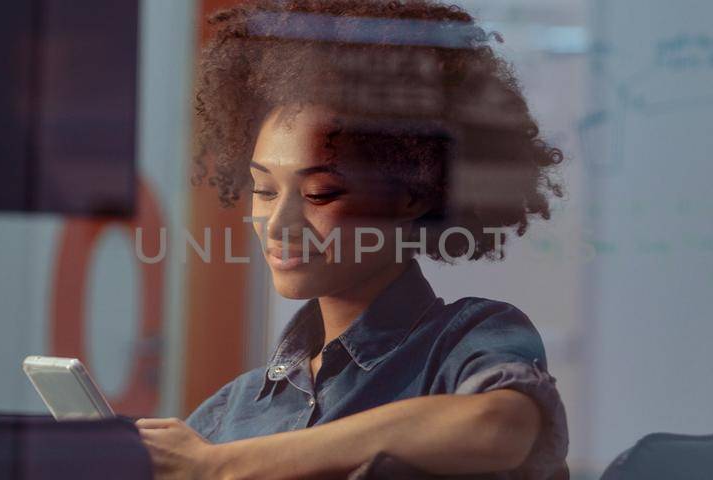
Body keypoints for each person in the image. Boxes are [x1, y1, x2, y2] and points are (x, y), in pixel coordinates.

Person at [138, 1, 568, 478]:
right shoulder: (231, 411)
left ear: (412, 194)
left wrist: (223, 465)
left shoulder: (468, 341)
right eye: (263, 190)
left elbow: (499, 428)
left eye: (321, 193)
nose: (278, 224)